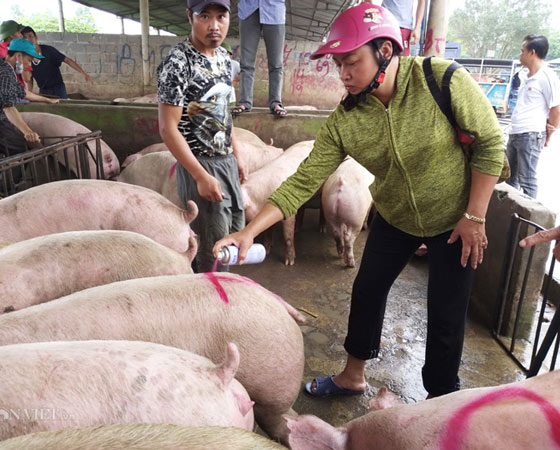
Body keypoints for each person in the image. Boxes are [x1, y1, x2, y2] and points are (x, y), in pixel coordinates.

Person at [214, 2, 505, 398]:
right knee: (366, 291)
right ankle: (353, 376)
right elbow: (303, 180)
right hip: (394, 216)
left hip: (455, 219)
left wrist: (475, 215)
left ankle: (441, 399)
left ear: (385, 51)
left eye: (351, 62)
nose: (344, 75)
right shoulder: (346, 119)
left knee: (446, 315)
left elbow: (490, 144)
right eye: (338, 65)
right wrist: (249, 232)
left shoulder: (441, 80)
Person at [156, 0, 247, 273]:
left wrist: (237, 156)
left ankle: (221, 292)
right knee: (211, 247)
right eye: (204, 16)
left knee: (232, 235)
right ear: (189, 16)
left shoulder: (223, 59)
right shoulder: (177, 63)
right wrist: (200, 176)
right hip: (200, 164)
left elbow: (222, 113)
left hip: (226, 161)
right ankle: (208, 301)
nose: (214, 25)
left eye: (221, 16)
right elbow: (168, 128)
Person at [0, 38, 58, 200]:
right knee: (23, 149)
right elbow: (8, 106)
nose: (29, 65)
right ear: (19, 56)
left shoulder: (0, 68)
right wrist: (28, 131)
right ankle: (3, 191)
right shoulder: (5, 73)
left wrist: (46, 100)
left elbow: (22, 92)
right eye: (29, 59)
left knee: (10, 149)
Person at [506, 34, 560, 199]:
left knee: (527, 180)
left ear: (532, 52)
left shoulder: (546, 76)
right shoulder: (526, 76)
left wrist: (550, 131)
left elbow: (556, 108)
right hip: (516, 132)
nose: (520, 54)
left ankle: (529, 221)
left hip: (530, 134)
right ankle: (509, 216)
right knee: (509, 179)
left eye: (523, 51)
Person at [232, 0, 287, 117]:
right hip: (248, 9)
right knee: (246, 62)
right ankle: (245, 102)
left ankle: (276, 103)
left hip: (274, 9)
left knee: (276, 63)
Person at [21, 26, 93, 99]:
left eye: (30, 36)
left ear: (36, 37)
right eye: (25, 38)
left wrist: (84, 74)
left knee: (61, 108)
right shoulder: (26, 58)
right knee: (47, 110)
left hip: (58, 88)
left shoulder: (49, 51)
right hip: (44, 91)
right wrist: (29, 93)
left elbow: (67, 60)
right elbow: (30, 79)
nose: (28, 40)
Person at [0, 19, 31, 89]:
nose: (21, 36)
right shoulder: (22, 50)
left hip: (2, 89)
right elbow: (27, 78)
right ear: (12, 35)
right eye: (19, 33)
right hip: (15, 91)